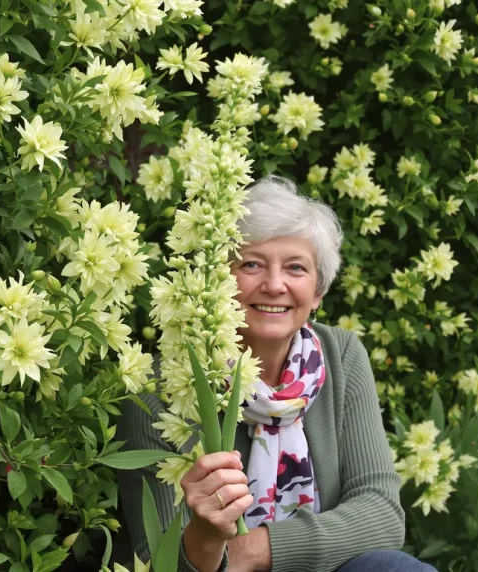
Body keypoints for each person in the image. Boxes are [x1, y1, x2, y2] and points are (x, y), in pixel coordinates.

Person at [117, 176, 435, 572]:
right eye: (251, 264)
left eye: (296, 268)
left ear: (317, 292)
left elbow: (382, 515)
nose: (274, 285)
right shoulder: (161, 385)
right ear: (217, 281)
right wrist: (207, 535)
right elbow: (159, 561)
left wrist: (254, 550)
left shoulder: (341, 355)